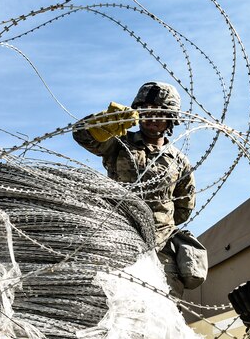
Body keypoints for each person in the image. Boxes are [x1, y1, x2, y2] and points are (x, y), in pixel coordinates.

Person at [73, 81, 196, 295]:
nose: (152, 119)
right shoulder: (118, 143)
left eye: (159, 113)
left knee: (164, 308)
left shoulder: (180, 162)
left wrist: (156, 223)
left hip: (159, 248)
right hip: (118, 237)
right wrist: (106, 122)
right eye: (147, 112)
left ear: (170, 118)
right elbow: (81, 135)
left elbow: (183, 209)